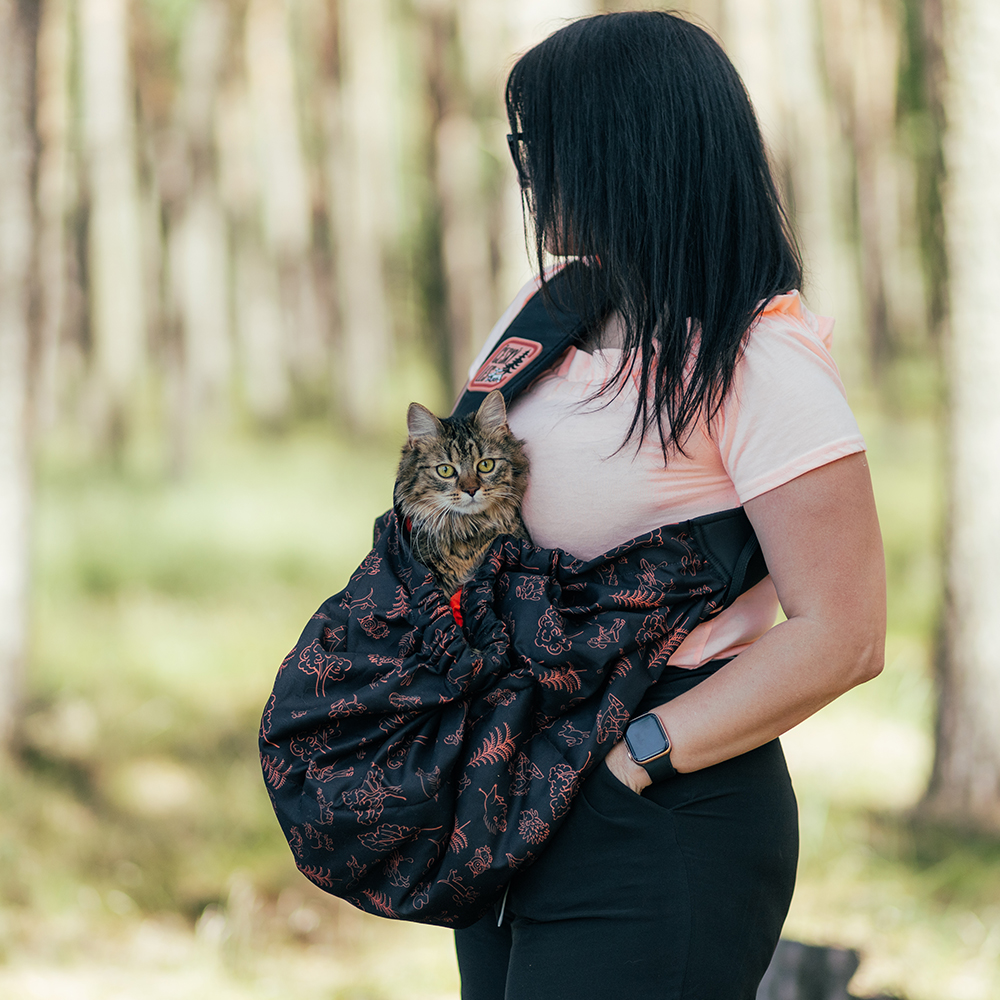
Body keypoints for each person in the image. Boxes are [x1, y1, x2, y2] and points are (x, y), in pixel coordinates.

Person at [452, 11, 886, 1000]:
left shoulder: (758, 358)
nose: (526, 167)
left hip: (656, 806)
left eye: (542, 139)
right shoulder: (539, 311)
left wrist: (631, 762)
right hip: (514, 796)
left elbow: (845, 632)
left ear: (624, 143)